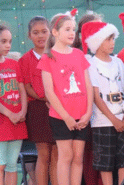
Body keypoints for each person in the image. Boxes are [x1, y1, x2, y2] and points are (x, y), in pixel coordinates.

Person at [37, 12, 93, 185]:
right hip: (61, 117)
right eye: (67, 29)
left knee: (78, 157)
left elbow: (88, 85)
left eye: (73, 30)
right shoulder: (48, 57)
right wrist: (66, 117)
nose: (72, 33)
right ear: (55, 32)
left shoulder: (78, 54)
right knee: (66, 156)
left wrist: (88, 112)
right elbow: (49, 92)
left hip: (82, 115)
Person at [81, 21, 124, 185]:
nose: (112, 43)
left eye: (113, 39)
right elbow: (96, 96)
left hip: (122, 121)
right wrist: (114, 120)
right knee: (106, 163)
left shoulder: (118, 62)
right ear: (96, 42)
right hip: (102, 122)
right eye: (107, 39)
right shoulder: (91, 64)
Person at [18, 16, 58, 185]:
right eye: (36, 33)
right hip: (38, 110)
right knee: (44, 154)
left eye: (44, 32)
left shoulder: (57, 55)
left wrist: (56, 102)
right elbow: (27, 87)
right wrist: (45, 98)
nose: (41, 36)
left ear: (51, 33)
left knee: (57, 154)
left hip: (58, 109)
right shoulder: (25, 59)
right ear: (29, 36)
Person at [72, 12, 103, 185]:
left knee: (103, 152)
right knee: (86, 152)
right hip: (83, 112)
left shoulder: (109, 56)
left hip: (104, 113)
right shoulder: (76, 54)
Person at [0, 25, 28, 185]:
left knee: (11, 165)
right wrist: (10, 114)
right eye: (3, 41)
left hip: (17, 122)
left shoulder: (14, 64)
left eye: (9, 41)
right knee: (1, 164)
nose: (8, 45)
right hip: (3, 122)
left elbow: (21, 89)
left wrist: (22, 111)